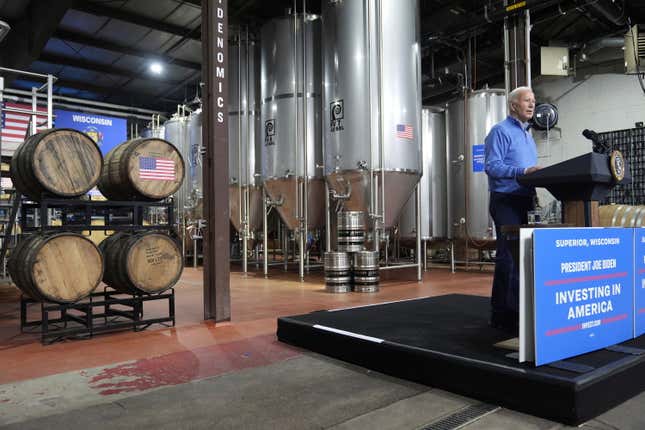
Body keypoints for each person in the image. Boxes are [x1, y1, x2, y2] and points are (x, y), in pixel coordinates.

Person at [484, 86, 540, 334]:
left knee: (524, 258)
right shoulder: (500, 131)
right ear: (513, 105)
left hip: (525, 199)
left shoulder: (528, 135)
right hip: (505, 199)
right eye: (527, 101)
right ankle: (502, 315)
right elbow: (491, 167)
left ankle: (518, 311)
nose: (532, 104)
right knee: (508, 257)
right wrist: (522, 172)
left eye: (534, 101)